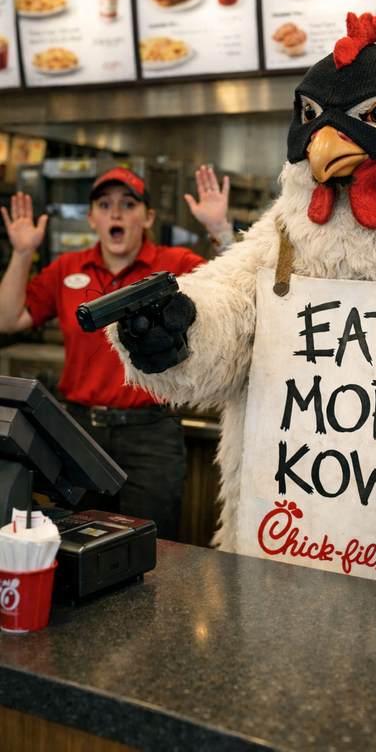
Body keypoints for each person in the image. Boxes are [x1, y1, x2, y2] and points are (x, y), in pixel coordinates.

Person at [0, 165, 232, 540]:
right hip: (77, 433)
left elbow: (234, 291)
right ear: (91, 218)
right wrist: (23, 252)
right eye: (105, 205)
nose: (116, 213)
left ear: (148, 217)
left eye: (128, 204)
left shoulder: (175, 264)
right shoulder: (66, 268)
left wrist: (219, 227)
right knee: (75, 546)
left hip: (151, 436)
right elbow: (8, 319)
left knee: (155, 549)